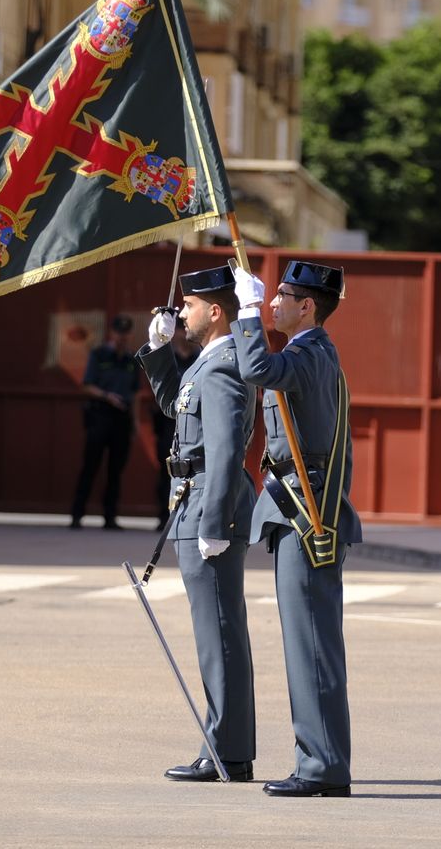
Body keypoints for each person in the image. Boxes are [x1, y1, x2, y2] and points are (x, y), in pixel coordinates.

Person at [230, 261, 361, 799]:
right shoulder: (310, 353)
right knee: (306, 640)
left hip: (306, 512)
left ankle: (322, 766)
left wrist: (242, 315)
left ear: (308, 306)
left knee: (310, 643)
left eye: (280, 296)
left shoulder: (308, 354)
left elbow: (257, 370)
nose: (271, 304)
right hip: (296, 506)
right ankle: (320, 760)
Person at [137, 267, 258, 784]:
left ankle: (227, 750)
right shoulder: (205, 365)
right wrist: (159, 350)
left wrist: (216, 519)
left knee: (219, 631)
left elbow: (229, 448)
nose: (179, 314)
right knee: (214, 628)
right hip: (194, 496)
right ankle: (225, 743)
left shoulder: (225, 365)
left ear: (216, 311)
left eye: (188, 307)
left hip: (208, 499)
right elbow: (174, 405)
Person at [69, 315, 140, 530]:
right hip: (100, 415)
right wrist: (107, 396)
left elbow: (135, 393)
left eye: (125, 334)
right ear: (112, 334)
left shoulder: (131, 360)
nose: (122, 338)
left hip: (122, 419)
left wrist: (135, 422)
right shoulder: (99, 355)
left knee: (115, 470)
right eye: (119, 333)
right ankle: (77, 515)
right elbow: (86, 385)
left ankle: (110, 517)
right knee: (90, 466)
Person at [149, 331, 201, 530]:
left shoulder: (201, 358)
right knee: (166, 471)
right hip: (168, 424)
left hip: (193, 425)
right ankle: (164, 516)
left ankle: (185, 516)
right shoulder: (170, 359)